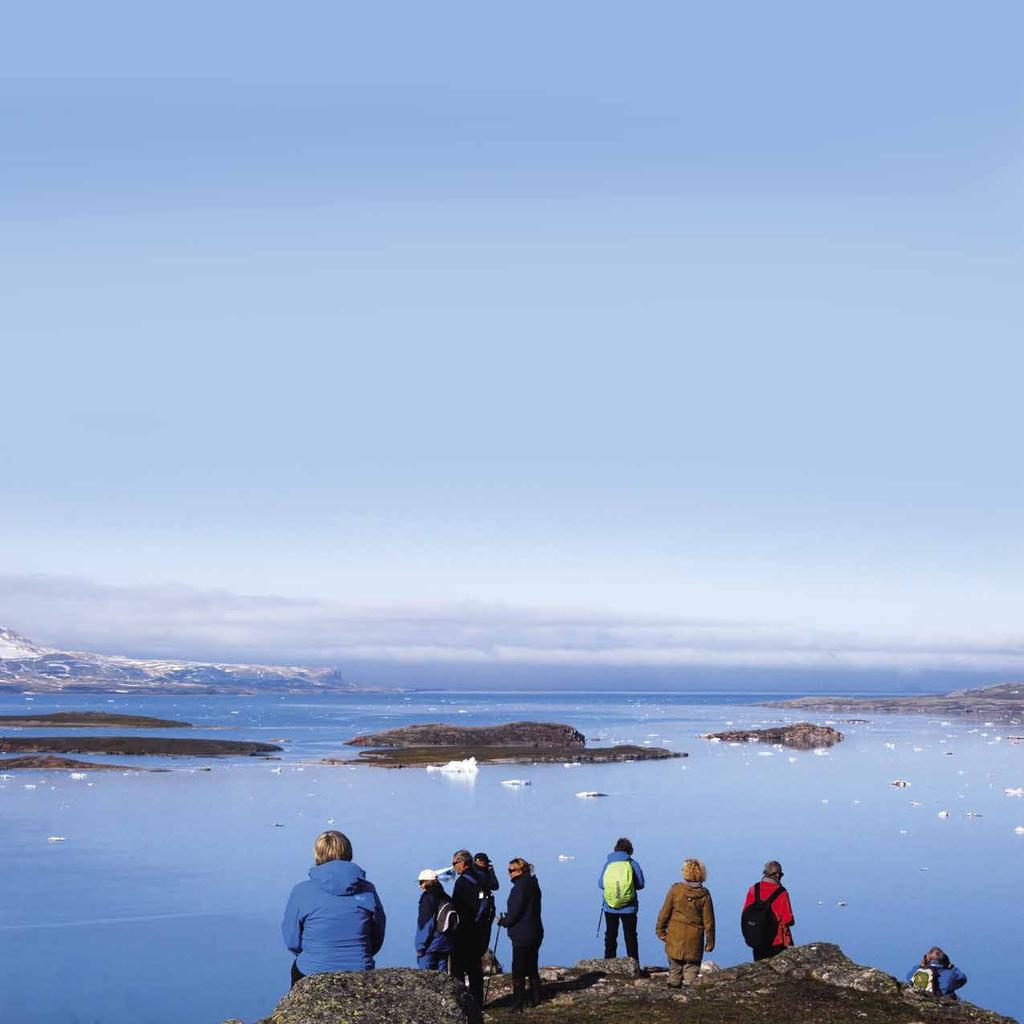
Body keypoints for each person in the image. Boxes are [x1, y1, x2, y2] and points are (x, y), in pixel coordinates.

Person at [281, 830, 386, 988]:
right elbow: (377, 934)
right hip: (360, 971)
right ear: (348, 852)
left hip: (311, 970)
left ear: (317, 855)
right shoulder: (367, 890)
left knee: (297, 970)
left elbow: (292, 941)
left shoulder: (302, 891)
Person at [655, 858, 715, 987]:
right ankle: (689, 998)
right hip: (694, 941)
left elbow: (664, 913)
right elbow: (709, 922)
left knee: (674, 970)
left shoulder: (675, 890)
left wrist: (660, 931)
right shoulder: (704, 895)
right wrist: (710, 943)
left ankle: (673, 997)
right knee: (691, 973)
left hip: (674, 937)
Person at [498, 857, 544, 1012]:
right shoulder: (533, 884)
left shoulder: (519, 887)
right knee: (532, 967)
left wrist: (503, 921)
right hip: (535, 931)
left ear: (520, 870)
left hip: (522, 934)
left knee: (518, 970)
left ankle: (518, 1002)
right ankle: (535, 998)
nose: (509, 874)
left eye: (511, 870)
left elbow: (515, 914)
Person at [450, 849, 488, 1006]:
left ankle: (462, 1003)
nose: (453, 867)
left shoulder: (462, 882)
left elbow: (457, 907)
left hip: (464, 930)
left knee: (458, 969)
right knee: (474, 968)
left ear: (463, 862)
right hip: (478, 930)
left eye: (454, 863)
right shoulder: (478, 879)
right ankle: (477, 1001)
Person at [599, 837, 645, 963]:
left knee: (610, 935)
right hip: (629, 907)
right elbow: (641, 884)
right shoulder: (632, 864)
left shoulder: (608, 864)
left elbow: (601, 884)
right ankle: (634, 963)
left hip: (610, 906)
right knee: (630, 936)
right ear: (629, 850)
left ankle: (608, 962)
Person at [741, 860, 794, 961]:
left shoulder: (753, 889)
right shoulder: (781, 893)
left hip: (757, 939)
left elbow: (745, 912)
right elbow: (788, 919)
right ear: (777, 875)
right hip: (777, 941)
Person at [415, 868, 456, 971]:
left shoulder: (427, 899)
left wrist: (420, 946)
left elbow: (425, 925)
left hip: (430, 946)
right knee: (442, 979)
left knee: (427, 979)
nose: (420, 886)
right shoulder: (446, 897)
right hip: (446, 943)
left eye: (421, 882)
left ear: (427, 882)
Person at [475, 852, 499, 956]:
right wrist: (491, 873)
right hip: (482, 917)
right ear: (481, 862)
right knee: (480, 944)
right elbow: (495, 885)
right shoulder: (482, 875)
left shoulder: (471, 874)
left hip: (477, 916)